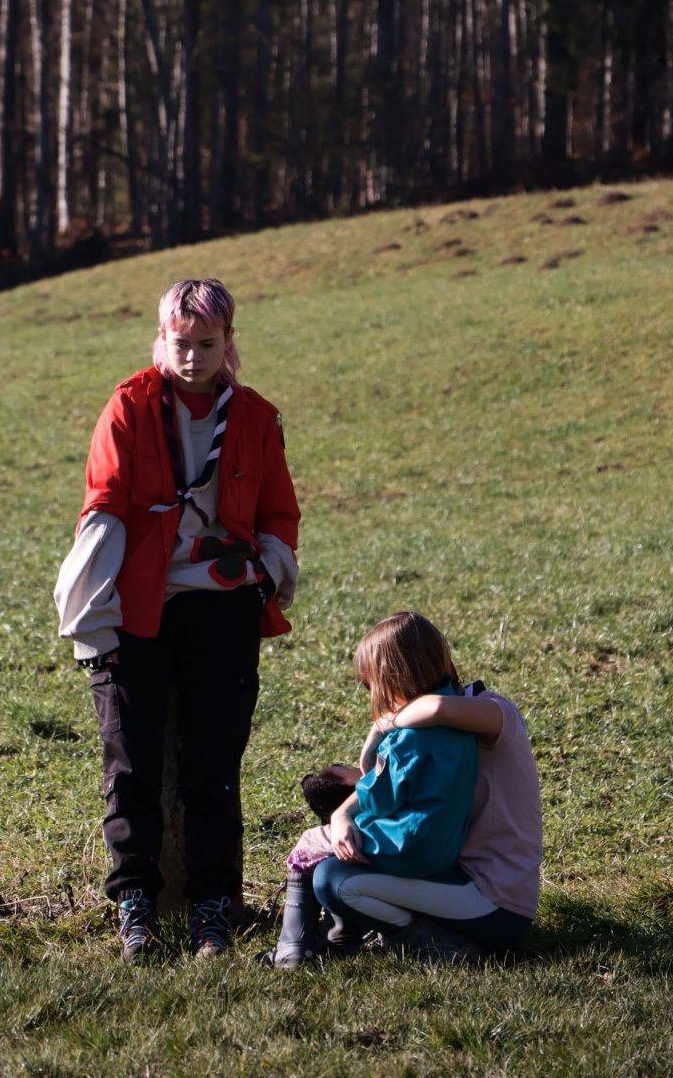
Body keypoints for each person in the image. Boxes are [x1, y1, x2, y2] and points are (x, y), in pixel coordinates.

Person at [54, 278, 300, 961]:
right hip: (138, 606)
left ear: (229, 343)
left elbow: (279, 510)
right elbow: (103, 505)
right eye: (181, 343)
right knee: (129, 764)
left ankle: (212, 913)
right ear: (162, 340)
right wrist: (91, 613)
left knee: (214, 766)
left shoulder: (255, 416)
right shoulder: (130, 406)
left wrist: (267, 571)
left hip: (222, 604)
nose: (192, 358)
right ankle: (135, 907)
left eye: (207, 344)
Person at [259, 611, 479, 968]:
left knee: (308, 845)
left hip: (406, 845)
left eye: (370, 683)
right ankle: (339, 937)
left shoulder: (406, 739)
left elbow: (380, 801)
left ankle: (292, 949)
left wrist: (367, 772)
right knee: (334, 849)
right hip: (443, 847)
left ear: (391, 678)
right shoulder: (461, 723)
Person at [314, 661, 543, 961]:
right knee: (335, 860)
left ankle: (443, 947)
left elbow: (438, 708)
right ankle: (327, 937)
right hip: (458, 879)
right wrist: (342, 815)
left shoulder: (494, 712)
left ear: (399, 679)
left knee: (333, 879)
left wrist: (384, 724)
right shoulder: (428, 729)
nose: (376, 697)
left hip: (495, 901)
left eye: (374, 685)